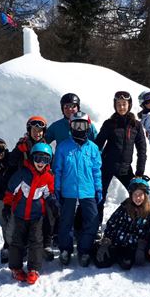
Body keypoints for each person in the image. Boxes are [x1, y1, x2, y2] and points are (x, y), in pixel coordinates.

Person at [3, 143, 60, 285]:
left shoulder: (48, 176)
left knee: (36, 241)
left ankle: (34, 269)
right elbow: (11, 190)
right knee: (17, 241)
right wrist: (7, 205)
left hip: (36, 215)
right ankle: (16, 268)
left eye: (45, 160)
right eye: (38, 158)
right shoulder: (23, 173)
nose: (41, 163)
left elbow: (49, 192)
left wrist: (53, 203)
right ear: (32, 158)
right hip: (20, 213)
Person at [53, 111, 102, 267]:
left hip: (88, 191)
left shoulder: (93, 148)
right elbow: (58, 170)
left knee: (93, 221)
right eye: (76, 125)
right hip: (68, 190)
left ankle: (84, 249)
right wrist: (57, 189)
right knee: (66, 221)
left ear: (88, 127)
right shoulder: (63, 147)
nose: (79, 128)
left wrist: (98, 188)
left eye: (83, 125)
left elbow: (96, 170)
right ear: (70, 126)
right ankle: (65, 249)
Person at [95, 91, 147, 230]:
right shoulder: (109, 123)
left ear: (129, 105)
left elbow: (142, 149)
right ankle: (96, 227)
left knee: (137, 194)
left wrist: (139, 172)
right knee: (100, 197)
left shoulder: (135, 125)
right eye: (118, 104)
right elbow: (97, 145)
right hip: (107, 166)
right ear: (115, 106)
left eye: (124, 104)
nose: (121, 107)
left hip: (125, 168)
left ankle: (135, 224)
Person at [9, 116, 57, 261]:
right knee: (23, 217)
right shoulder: (23, 144)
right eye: (34, 129)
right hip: (25, 185)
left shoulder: (46, 146)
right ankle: (22, 246)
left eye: (40, 130)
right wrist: (18, 150)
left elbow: (52, 165)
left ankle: (46, 243)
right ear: (29, 130)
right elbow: (11, 162)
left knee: (46, 215)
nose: (37, 132)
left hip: (42, 185)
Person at [93, 177, 150, 269]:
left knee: (127, 263)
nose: (138, 197)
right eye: (135, 194)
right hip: (117, 241)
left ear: (145, 195)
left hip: (134, 245)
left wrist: (144, 245)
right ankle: (97, 249)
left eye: (140, 194)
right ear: (130, 195)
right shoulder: (124, 207)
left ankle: (120, 256)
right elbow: (112, 224)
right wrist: (106, 241)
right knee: (101, 262)